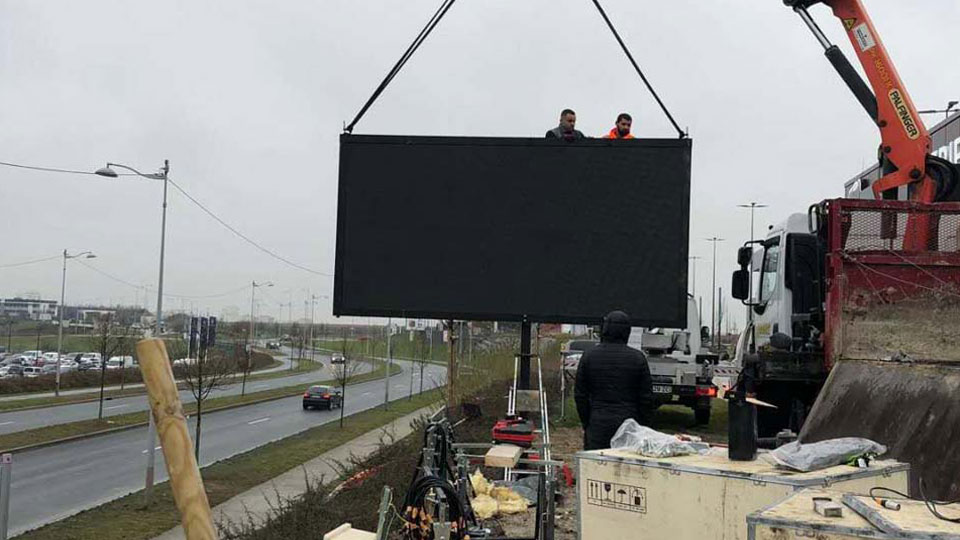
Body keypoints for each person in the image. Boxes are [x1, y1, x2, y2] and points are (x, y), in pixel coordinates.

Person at [574, 310, 654, 451]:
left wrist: (587, 422)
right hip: (629, 424)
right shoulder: (637, 358)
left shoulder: (589, 356)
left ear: (604, 329)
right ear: (627, 332)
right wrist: (642, 425)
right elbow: (646, 398)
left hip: (598, 422)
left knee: (595, 466)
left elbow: (580, 395)